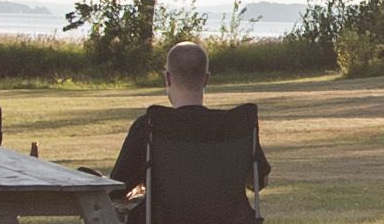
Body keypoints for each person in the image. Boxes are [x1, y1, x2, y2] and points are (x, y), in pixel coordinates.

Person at [112, 38, 269, 200]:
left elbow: (117, 188)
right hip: (228, 223)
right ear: (206, 79)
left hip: (165, 222)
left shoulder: (149, 126)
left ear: (168, 78)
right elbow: (260, 180)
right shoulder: (235, 125)